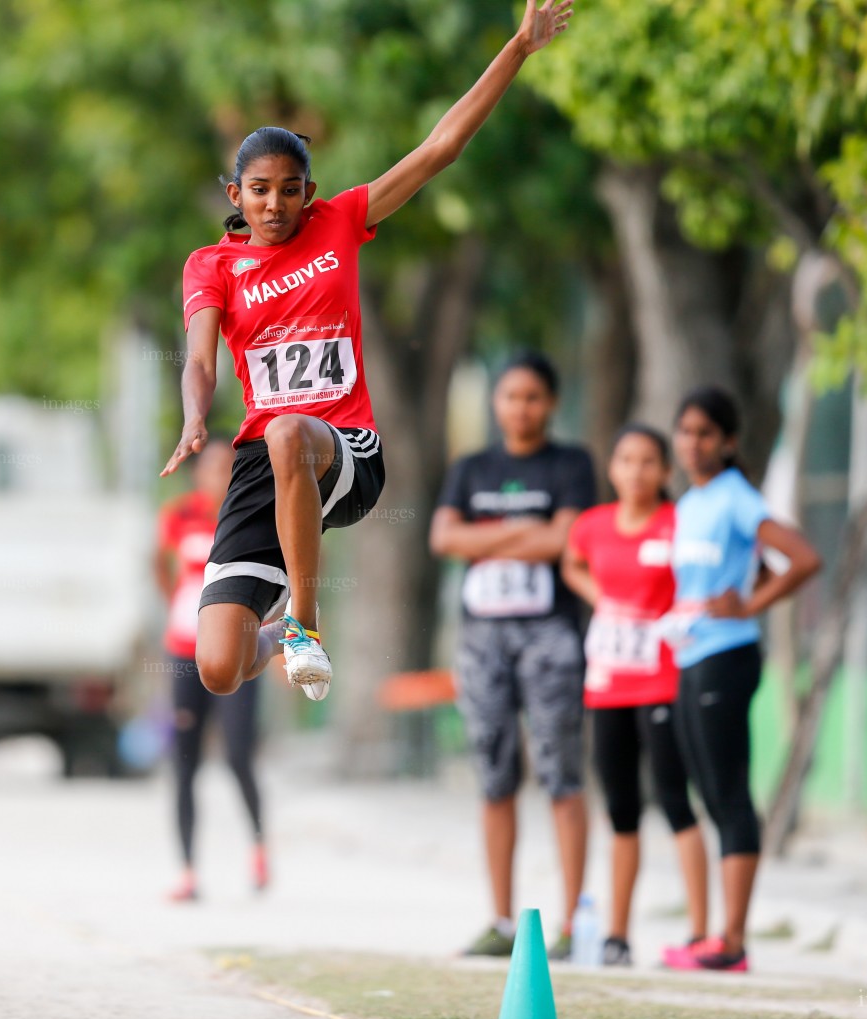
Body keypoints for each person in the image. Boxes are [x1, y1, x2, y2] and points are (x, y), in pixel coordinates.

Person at [162, 0, 577, 703]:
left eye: (290, 191)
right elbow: (201, 358)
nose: (274, 205)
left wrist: (517, 49)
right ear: (236, 194)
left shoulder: (341, 221)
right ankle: (272, 637)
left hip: (345, 450)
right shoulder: (210, 265)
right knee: (218, 669)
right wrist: (194, 417)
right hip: (262, 467)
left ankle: (303, 626)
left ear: (310, 193)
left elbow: (439, 148)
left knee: (292, 430)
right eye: (259, 192)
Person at [430, 351, 595, 960]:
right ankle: (501, 921)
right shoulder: (472, 467)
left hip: (550, 634)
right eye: (509, 396)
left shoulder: (571, 464)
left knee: (561, 773)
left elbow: (567, 539)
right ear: (495, 403)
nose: (520, 407)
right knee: (494, 775)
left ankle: (575, 924)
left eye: (532, 397)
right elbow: (443, 538)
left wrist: (487, 537)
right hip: (481, 639)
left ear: (550, 403)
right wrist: (529, 535)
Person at [663, 387, 821, 972]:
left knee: (729, 795)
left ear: (728, 441)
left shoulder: (735, 498)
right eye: (685, 431)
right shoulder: (689, 504)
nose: (692, 443)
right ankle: (711, 935)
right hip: (689, 656)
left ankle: (732, 941)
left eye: (705, 433)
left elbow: (803, 559)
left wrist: (750, 605)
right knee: (706, 792)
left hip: (726, 657)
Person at [562, 425, 708, 967]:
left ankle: (700, 935)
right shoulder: (593, 526)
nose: (637, 470)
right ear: (613, 468)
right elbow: (571, 563)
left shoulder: (678, 525)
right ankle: (617, 935)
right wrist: (602, 597)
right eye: (626, 459)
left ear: (666, 472)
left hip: (663, 681)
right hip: (607, 684)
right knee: (621, 808)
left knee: (675, 801)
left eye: (649, 462)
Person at [155, 441, 267, 902]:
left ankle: (259, 846)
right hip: (185, 651)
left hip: (236, 650)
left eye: (228, 466)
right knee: (185, 761)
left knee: (238, 754)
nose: (218, 473)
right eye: (212, 466)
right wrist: (178, 603)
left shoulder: (248, 515)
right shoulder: (180, 515)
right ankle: (187, 869)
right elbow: (156, 562)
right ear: (198, 472)